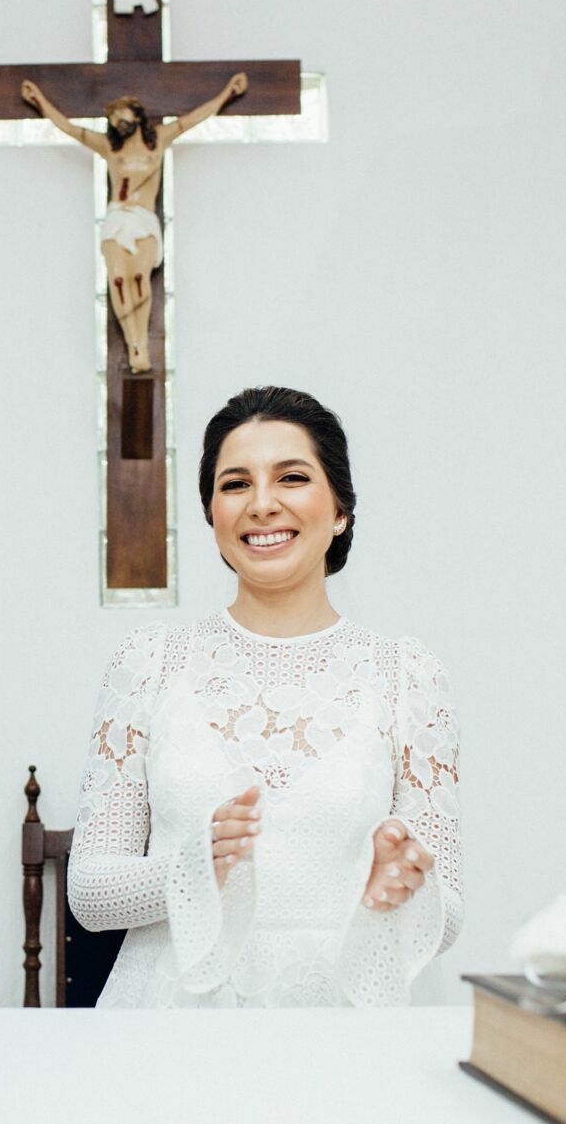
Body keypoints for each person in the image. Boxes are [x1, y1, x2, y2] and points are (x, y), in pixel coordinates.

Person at [68, 385, 463, 1008]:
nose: (262, 504)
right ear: (211, 514)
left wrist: (401, 890)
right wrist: (194, 867)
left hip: (347, 1020)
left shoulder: (406, 675)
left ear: (340, 510)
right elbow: (90, 895)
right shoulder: (149, 663)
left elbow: (450, 912)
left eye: (292, 477)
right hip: (174, 1019)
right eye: (235, 484)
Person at [21, 75, 248, 372]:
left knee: (139, 277)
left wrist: (227, 93)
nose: (116, 120)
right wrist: (38, 99)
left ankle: (142, 343)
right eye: (112, 117)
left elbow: (195, 118)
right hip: (117, 218)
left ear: (137, 115)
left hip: (144, 219)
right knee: (117, 279)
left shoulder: (160, 140)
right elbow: (69, 128)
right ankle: (132, 345)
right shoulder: (109, 148)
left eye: (121, 113)